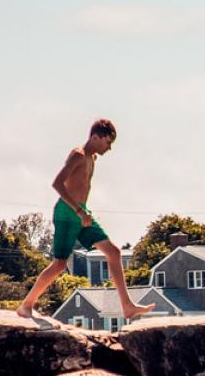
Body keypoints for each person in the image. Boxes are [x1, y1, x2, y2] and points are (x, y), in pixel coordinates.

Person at [16, 119, 153, 323]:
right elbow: (57, 184)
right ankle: (26, 305)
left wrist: (82, 211)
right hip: (67, 213)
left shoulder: (92, 158)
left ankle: (127, 306)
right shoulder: (78, 155)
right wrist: (79, 210)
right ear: (95, 137)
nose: (109, 148)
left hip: (82, 213)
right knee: (59, 264)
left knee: (113, 252)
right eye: (108, 142)